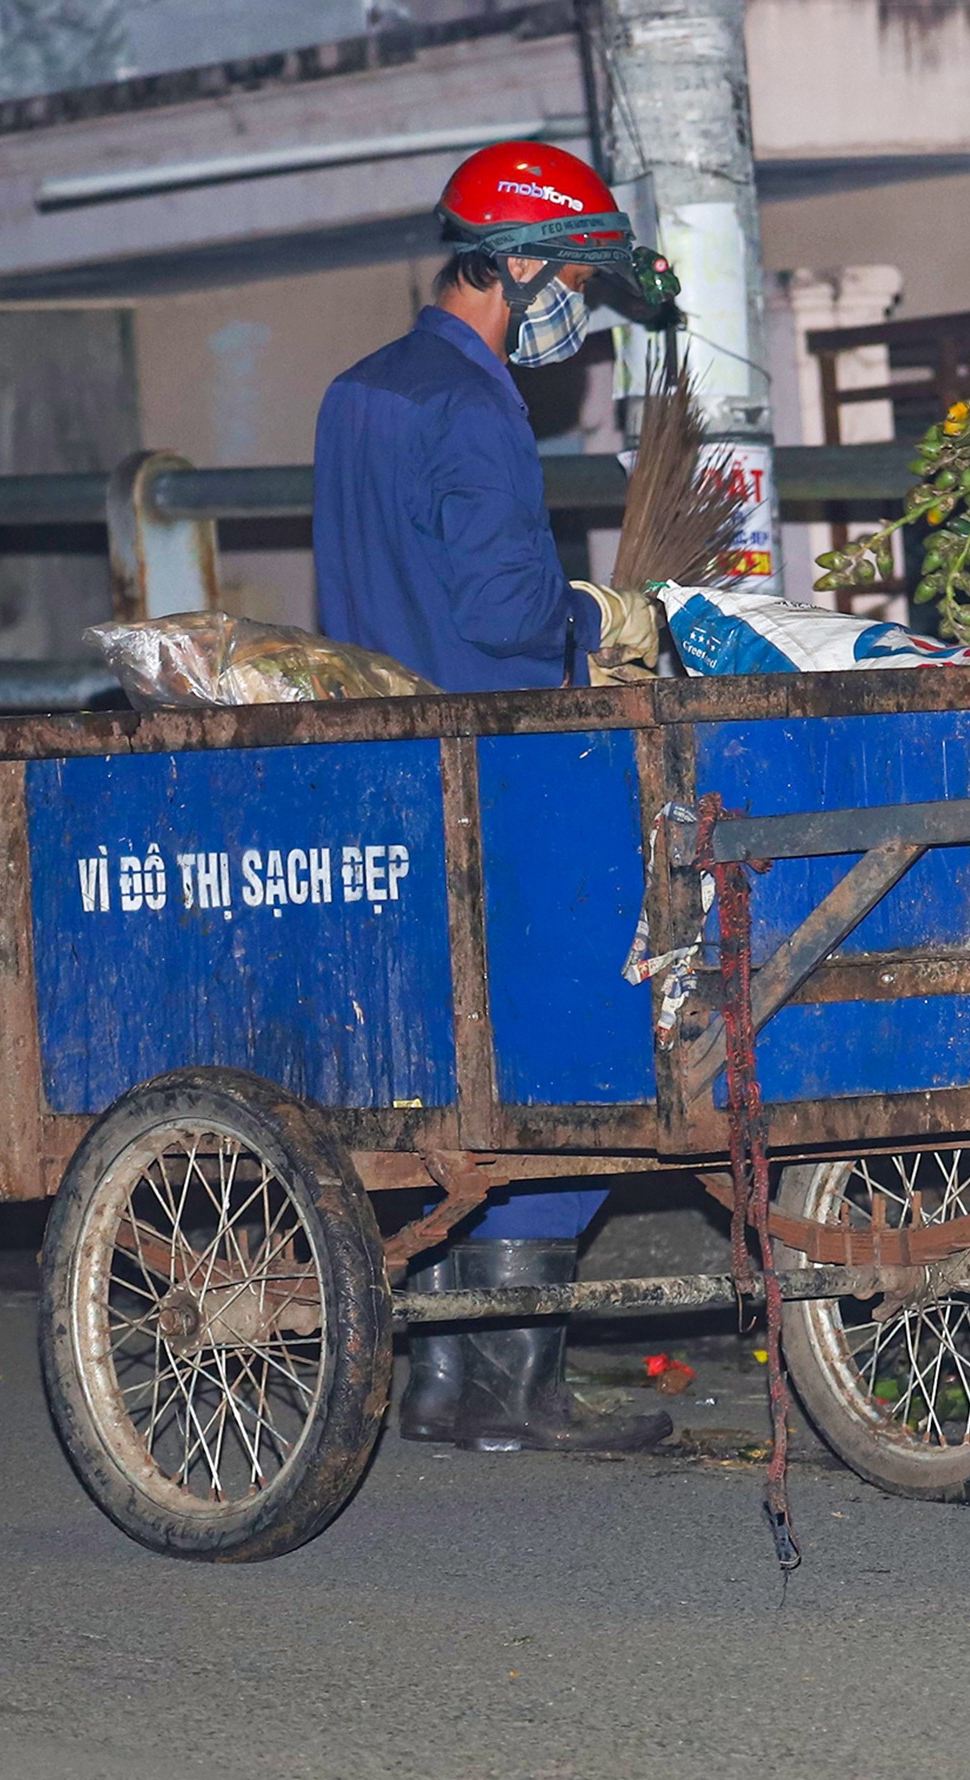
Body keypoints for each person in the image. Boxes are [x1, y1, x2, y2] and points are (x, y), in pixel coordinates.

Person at [314, 139, 674, 1454]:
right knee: (582, 1066)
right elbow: (511, 614)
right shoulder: (475, 409)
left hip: (391, 778)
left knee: (461, 1077)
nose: (575, 308)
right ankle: (515, 1393)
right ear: (519, 264)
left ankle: (448, 1388)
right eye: (573, 274)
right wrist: (605, 613)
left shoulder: (360, 391)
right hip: (505, 777)